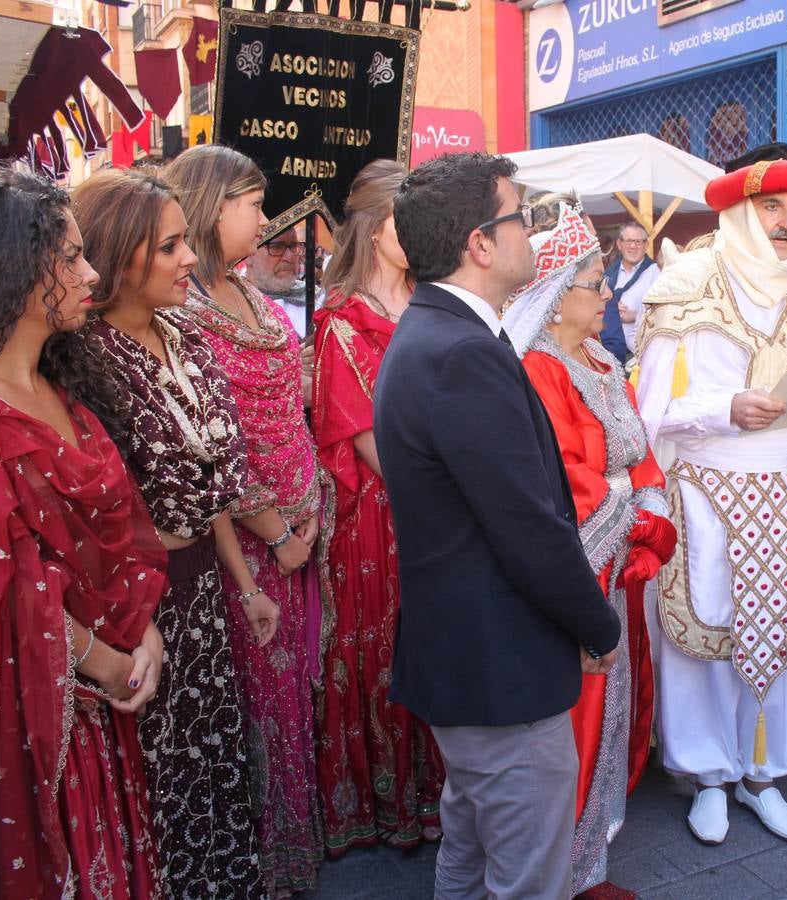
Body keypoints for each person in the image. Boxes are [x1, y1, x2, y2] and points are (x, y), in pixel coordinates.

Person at [373, 152, 623, 898]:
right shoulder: (458, 354)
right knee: (525, 877)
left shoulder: (440, 335)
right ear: (480, 244)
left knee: (474, 851)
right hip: (498, 668)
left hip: (471, 659)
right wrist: (597, 625)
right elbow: (529, 529)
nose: (533, 233)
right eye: (521, 216)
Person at [0, 170, 166, 897]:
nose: (91, 273)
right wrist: (109, 664)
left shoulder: (65, 389)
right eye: (70, 257)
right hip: (38, 729)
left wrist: (145, 635)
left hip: (106, 713)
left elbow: (126, 544)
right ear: (12, 269)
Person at [636, 149, 787, 845]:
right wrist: (722, 410)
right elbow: (650, 405)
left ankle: (764, 775)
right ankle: (709, 777)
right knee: (707, 636)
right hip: (709, 494)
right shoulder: (687, 280)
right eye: (772, 207)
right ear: (740, 210)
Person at [66, 168, 269, 896]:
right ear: (121, 259)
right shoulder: (81, 361)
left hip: (204, 594)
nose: (192, 259)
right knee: (164, 779)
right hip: (142, 611)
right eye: (172, 246)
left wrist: (244, 583)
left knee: (216, 765)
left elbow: (212, 477)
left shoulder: (184, 335)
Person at [164, 144, 331, 897]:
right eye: (253, 204)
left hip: (300, 533)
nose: (266, 221)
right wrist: (277, 537)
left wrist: (308, 516)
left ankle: (299, 850)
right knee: (260, 704)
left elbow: (283, 412)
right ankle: (265, 864)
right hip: (250, 548)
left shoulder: (251, 296)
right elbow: (211, 446)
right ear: (210, 206)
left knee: (298, 700)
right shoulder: (184, 312)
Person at [503, 202, 673, 894]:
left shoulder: (601, 359)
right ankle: (556, 872)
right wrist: (635, 510)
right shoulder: (538, 370)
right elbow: (566, 478)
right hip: (581, 568)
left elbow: (638, 454)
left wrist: (649, 502)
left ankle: (587, 862)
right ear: (553, 300)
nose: (609, 296)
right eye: (596, 284)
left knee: (610, 708)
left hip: (617, 565)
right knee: (576, 716)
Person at [310, 159, 446, 853]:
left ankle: (435, 795)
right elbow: (364, 440)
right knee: (384, 651)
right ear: (374, 226)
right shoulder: (340, 322)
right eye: (407, 221)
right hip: (382, 513)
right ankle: (383, 803)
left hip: (437, 499)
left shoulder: (431, 298)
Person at [246, 221, 323, 338]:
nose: (290, 257)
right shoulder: (236, 305)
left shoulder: (318, 300)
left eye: (294, 246)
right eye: (276, 247)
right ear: (249, 255)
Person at [600, 221, 660, 365]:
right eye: (629, 241)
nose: (633, 246)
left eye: (638, 241)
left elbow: (664, 313)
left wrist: (635, 316)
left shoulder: (655, 272)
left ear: (646, 245)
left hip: (639, 356)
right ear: (619, 244)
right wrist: (610, 310)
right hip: (609, 353)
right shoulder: (607, 274)